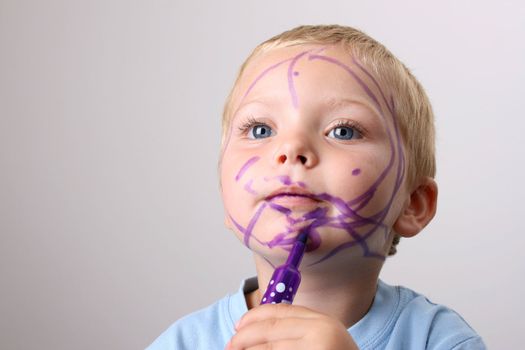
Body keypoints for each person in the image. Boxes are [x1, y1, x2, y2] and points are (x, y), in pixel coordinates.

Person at [147, 24, 486, 349]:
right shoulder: (182, 343)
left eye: (343, 131)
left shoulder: (440, 340)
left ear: (412, 204)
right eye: (261, 130)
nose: (291, 148)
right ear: (224, 194)